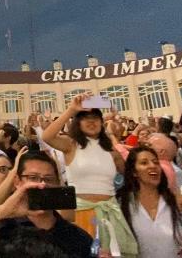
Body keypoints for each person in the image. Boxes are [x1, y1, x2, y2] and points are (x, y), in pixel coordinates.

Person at [0, 151, 92, 257]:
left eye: (48, 179)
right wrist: (5, 211)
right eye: (33, 177)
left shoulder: (76, 236)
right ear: (17, 182)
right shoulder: (2, 222)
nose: (41, 184)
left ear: (57, 184)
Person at [41, 95, 133, 255]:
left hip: (110, 213)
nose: (91, 122)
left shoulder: (112, 152)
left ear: (101, 122)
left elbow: (129, 181)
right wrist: (71, 110)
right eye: (86, 119)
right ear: (78, 123)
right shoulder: (71, 145)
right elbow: (47, 136)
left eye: (95, 118)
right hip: (80, 213)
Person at [116, 146, 182, 258]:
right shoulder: (123, 203)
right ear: (134, 172)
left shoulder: (174, 201)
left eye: (156, 162)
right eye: (144, 163)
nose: (153, 166)